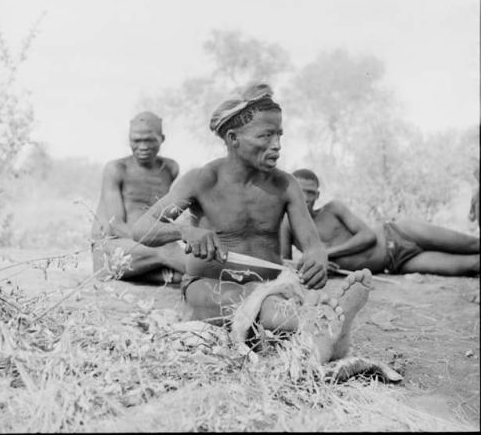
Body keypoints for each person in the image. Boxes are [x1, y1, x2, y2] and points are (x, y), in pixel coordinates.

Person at [132, 83, 373, 364]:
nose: (277, 145)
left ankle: (322, 332)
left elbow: (312, 245)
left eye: (279, 135)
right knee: (249, 298)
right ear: (234, 138)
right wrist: (185, 230)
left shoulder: (285, 185)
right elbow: (141, 228)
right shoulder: (202, 180)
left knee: (274, 299)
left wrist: (316, 258)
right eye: (266, 135)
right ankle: (323, 326)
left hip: (271, 285)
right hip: (207, 287)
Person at [281, 168, 480, 276]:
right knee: (472, 264)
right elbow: (284, 265)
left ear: (318, 195)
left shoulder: (333, 208)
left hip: (399, 233)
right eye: (301, 191)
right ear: (291, 191)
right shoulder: (287, 226)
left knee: (473, 244)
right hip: (397, 263)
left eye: (311, 193)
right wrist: (317, 266)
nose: (306, 197)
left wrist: (325, 255)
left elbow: (367, 237)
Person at [91, 111, 186, 283]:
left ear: (161, 139)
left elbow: (164, 217)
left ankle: (163, 274)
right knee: (169, 251)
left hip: (144, 250)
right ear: (129, 140)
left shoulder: (170, 169)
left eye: (149, 140)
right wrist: (157, 242)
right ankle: (220, 278)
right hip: (112, 249)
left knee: (182, 261)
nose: (142, 146)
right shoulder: (116, 169)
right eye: (136, 140)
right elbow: (114, 226)